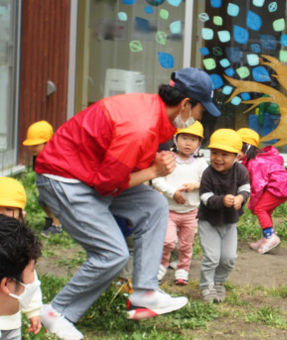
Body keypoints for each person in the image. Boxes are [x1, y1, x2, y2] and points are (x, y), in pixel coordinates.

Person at [34, 67, 221, 339]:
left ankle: (145, 293)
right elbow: (107, 185)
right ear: (184, 105)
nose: (198, 118)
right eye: (200, 111)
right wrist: (154, 172)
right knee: (112, 254)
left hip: (87, 173)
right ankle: (55, 313)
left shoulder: (154, 114)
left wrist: (152, 167)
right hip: (64, 179)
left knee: (155, 205)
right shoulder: (140, 127)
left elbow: (120, 168)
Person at [152, 121, 208, 285]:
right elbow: (156, 179)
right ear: (176, 139)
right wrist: (173, 192)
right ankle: (161, 266)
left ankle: (183, 270)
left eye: (193, 139)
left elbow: (209, 182)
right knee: (167, 241)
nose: (188, 143)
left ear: (199, 143)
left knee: (186, 244)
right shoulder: (169, 159)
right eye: (184, 138)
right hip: (168, 210)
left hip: (190, 213)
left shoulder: (200, 164)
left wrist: (197, 185)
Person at [198, 129, 250, 303]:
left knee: (229, 258)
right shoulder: (208, 173)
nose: (218, 158)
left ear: (236, 156)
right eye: (214, 153)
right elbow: (204, 197)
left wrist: (240, 198)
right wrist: (222, 200)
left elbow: (246, 188)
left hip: (229, 222)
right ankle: (207, 287)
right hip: (209, 221)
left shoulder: (241, 171)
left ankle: (219, 282)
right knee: (212, 258)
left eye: (224, 154)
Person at [236, 128, 287, 254]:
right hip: (280, 186)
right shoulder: (252, 160)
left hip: (278, 188)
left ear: (247, 147)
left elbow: (257, 186)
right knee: (266, 211)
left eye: (237, 149)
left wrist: (253, 204)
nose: (235, 153)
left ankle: (270, 237)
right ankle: (265, 238)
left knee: (260, 209)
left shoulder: (255, 163)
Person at [0, 178, 43, 339]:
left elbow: (29, 283)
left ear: (21, 215)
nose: (2, 214)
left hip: (11, 322)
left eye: (9, 209)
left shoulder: (23, 248)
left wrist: (33, 311)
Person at [22, 120, 63, 237]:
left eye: (36, 145)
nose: (32, 149)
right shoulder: (38, 156)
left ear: (48, 143)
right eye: (30, 146)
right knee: (42, 201)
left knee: (52, 201)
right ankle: (53, 218)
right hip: (44, 188)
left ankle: (57, 225)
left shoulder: (54, 157)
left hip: (55, 189)